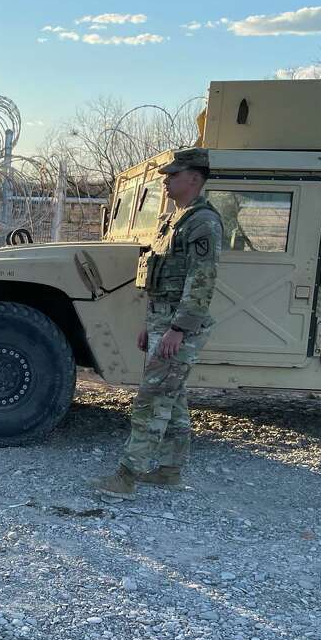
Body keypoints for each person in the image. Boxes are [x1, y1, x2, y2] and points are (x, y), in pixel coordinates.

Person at [94, 147, 223, 498]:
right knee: (173, 396)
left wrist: (178, 329)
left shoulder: (202, 222)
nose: (165, 180)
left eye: (173, 175)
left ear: (194, 178)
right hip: (163, 321)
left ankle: (126, 478)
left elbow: (202, 281)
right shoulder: (175, 219)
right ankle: (169, 471)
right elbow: (160, 277)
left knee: (152, 400)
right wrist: (150, 325)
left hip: (180, 326)